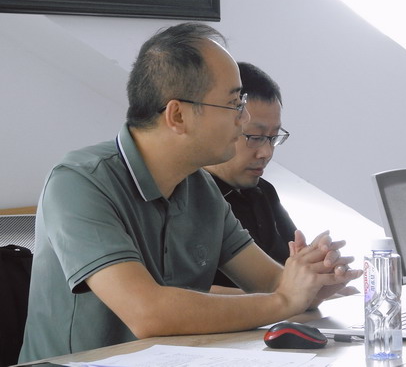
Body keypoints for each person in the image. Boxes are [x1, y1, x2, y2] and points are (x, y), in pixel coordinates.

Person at [19, 23, 360, 362]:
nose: (243, 119)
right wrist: (284, 301)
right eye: (234, 104)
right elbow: (147, 313)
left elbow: (271, 281)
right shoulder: (79, 182)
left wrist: (312, 283)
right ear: (178, 115)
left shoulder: (200, 187)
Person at [204, 62, 296, 286]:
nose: (267, 152)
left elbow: (293, 272)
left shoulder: (263, 191)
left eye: (273, 138)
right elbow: (184, 294)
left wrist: (321, 270)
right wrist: (289, 297)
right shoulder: (190, 198)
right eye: (255, 137)